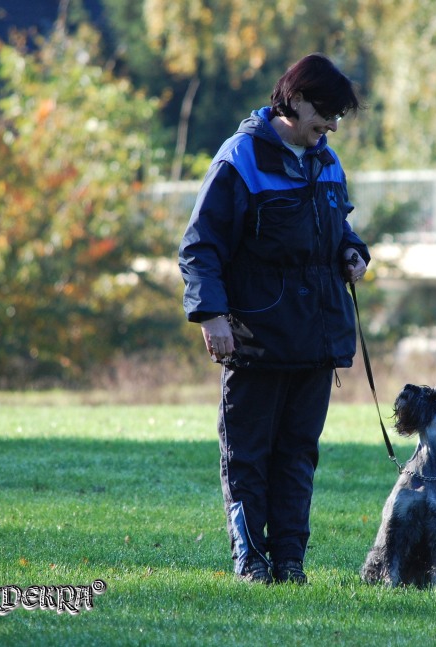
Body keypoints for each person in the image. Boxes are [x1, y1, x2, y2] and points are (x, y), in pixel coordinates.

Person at [178, 53, 370, 584]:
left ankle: (290, 562)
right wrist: (211, 315)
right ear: (298, 99)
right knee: (248, 457)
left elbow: (338, 231)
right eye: (326, 114)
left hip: (316, 338)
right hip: (255, 341)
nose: (331, 127)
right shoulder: (238, 158)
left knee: (298, 458)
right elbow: (200, 248)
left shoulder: (326, 160)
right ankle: (251, 562)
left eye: (336, 120)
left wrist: (353, 252)